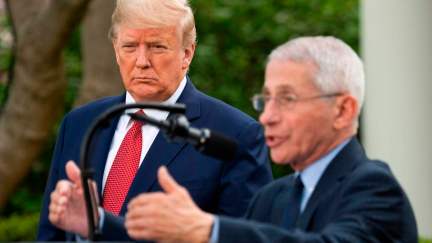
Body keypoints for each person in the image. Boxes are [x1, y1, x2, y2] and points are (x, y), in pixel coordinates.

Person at [124, 36, 418, 242]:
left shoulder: (375, 188)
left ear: (343, 110)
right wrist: (94, 220)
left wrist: (208, 229)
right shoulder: (271, 198)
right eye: (266, 100)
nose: (267, 117)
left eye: (287, 99)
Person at [36, 0, 272, 241]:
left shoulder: (234, 135)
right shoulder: (80, 124)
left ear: (187, 53)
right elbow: (51, 233)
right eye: (129, 46)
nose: (141, 61)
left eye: (157, 47)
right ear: (116, 51)